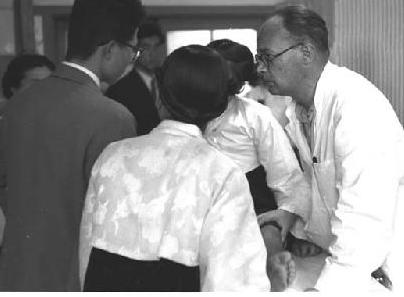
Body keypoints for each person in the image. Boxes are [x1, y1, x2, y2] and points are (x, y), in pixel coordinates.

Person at [256, 5, 404, 292]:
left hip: (396, 259)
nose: (260, 68)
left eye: (268, 57)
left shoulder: (355, 108)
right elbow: (320, 185)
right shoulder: (299, 109)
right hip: (369, 258)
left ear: (306, 53)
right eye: (258, 58)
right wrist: (291, 212)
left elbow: (365, 219)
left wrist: (322, 290)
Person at [79, 45, 271, 291]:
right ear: (220, 106)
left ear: (157, 93)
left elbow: (87, 256)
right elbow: (235, 284)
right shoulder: (222, 173)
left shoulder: (112, 156)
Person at [0, 0, 145, 291]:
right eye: (133, 50)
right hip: (77, 278)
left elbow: (4, 187)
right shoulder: (113, 117)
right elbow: (116, 221)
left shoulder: (19, 104)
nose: (133, 59)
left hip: (17, 273)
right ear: (111, 50)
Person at [205, 39, 318, 289]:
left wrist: (298, 230)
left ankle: (273, 259)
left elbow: (287, 176)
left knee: (268, 228)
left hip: (250, 194)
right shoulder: (191, 112)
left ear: (238, 85)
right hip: (205, 194)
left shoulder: (254, 115)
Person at [0, 53, 54, 290]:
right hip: (10, 254)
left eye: (50, 85)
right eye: (34, 84)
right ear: (13, 89)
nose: (44, 92)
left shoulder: (43, 127)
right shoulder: (1, 132)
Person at [106, 20, 166, 135]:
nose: (152, 53)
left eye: (157, 46)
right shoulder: (119, 90)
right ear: (135, 51)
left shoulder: (170, 81)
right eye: (146, 47)